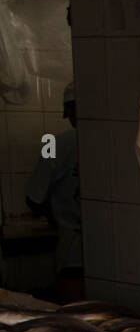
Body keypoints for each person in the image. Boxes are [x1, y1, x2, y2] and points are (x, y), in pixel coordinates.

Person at [24, 83, 82, 303]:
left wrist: (53, 216)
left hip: (72, 252)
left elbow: (33, 199)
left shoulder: (56, 145)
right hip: (115, 249)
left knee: (76, 322)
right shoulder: (116, 141)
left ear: (67, 111)